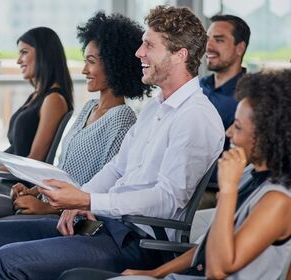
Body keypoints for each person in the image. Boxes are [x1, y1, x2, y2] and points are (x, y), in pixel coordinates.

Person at [0, 6, 224, 280]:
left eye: (149, 45)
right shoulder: (155, 108)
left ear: (179, 55)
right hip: (107, 226)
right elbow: (116, 168)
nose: (139, 53)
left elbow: (168, 200)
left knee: (6, 261)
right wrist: (78, 203)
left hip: (138, 242)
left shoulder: (196, 117)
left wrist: (89, 200)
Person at [0, 13, 151, 280]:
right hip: (55, 201)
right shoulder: (89, 108)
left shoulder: (123, 118)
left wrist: (47, 208)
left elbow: (103, 189)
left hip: (77, 217)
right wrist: (35, 188)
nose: (84, 70)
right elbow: (66, 169)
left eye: (91, 61)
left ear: (115, 64)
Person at [59, 69, 291, 280]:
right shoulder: (251, 178)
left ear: (267, 135)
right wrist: (155, 273)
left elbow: (218, 269)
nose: (229, 132)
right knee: (75, 276)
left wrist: (227, 192)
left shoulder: (277, 200)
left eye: (238, 126)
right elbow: (206, 248)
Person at [0, 27, 73, 179]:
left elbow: (34, 162)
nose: (18, 60)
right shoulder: (37, 96)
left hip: (19, 184)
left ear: (43, 55)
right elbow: (16, 151)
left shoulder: (54, 100)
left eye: (24, 52)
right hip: (11, 176)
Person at [200, 15, 251, 202]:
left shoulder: (250, 96)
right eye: (208, 39)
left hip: (214, 191)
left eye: (219, 40)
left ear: (240, 48)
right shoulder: (197, 87)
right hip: (177, 182)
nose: (208, 47)